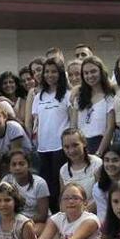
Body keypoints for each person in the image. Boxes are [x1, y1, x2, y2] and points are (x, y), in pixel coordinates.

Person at [31, 57, 71, 213]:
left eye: (54, 71)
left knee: (58, 184)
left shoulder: (67, 94)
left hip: (60, 147)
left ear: (60, 73)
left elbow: (72, 120)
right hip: (43, 148)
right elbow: (36, 122)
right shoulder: (38, 97)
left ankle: (62, 213)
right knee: (47, 185)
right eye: (47, 71)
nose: (49, 75)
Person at [71, 56, 115, 156]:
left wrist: (99, 152)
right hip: (81, 144)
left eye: (93, 71)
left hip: (100, 143)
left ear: (101, 72)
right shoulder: (79, 97)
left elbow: (110, 128)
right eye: (86, 73)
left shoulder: (109, 97)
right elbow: (73, 126)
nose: (90, 75)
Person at [1, 150, 49, 234]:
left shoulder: (40, 183)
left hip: (36, 222)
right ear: (9, 167)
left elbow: (42, 216)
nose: (18, 168)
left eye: (21, 164)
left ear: (28, 165)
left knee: (28, 232)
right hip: (13, 221)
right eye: (14, 164)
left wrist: (21, 222)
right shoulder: (6, 181)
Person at [59, 128, 102, 200]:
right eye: (66, 147)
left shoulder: (97, 164)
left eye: (75, 145)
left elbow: (101, 197)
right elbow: (63, 199)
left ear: (84, 143)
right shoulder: (63, 170)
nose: (71, 151)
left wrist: (83, 211)